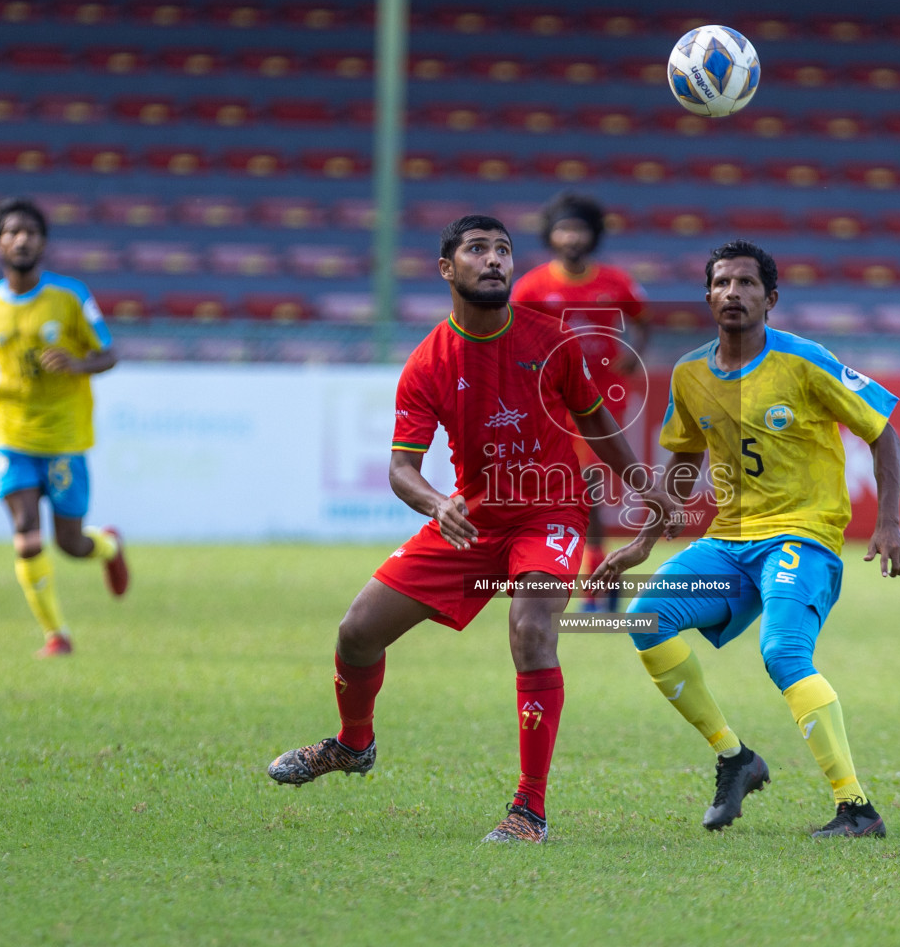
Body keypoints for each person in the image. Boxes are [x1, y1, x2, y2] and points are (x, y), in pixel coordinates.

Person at [267, 215, 680, 844]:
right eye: (478, 249)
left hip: (549, 512)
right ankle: (353, 745)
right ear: (446, 268)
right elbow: (402, 470)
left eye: (503, 250)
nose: (494, 260)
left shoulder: (554, 341)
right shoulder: (429, 362)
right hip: (473, 521)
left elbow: (597, 424)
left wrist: (641, 483)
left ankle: (529, 811)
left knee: (532, 630)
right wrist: (437, 503)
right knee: (356, 633)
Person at [590, 240, 900, 838]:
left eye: (745, 284)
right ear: (708, 295)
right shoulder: (689, 373)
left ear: (771, 298)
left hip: (802, 535)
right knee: (645, 620)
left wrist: (888, 522)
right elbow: (683, 463)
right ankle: (736, 757)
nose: (732, 293)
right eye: (722, 283)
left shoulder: (805, 360)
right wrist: (641, 544)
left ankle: (856, 807)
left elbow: (882, 431)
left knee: (783, 653)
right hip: (730, 542)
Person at [0, 197, 129, 659]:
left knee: (70, 543)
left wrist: (78, 364)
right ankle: (57, 635)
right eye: (11, 232)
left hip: (64, 436)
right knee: (26, 532)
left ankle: (108, 545)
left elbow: (108, 354)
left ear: (43, 242)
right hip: (10, 434)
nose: (21, 239)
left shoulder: (70, 297)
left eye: (30, 232)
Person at [511, 192, 649, 611]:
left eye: (579, 229)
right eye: (564, 229)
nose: (572, 237)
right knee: (562, 491)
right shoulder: (532, 286)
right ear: (551, 236)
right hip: (550, 402)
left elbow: (642, 322)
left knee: (587, 486)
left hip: (601, 402)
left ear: (593, 235)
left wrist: (632, 350)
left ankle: (596, 579)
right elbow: (510, 336)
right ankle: (577, 575)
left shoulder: (616, 282)